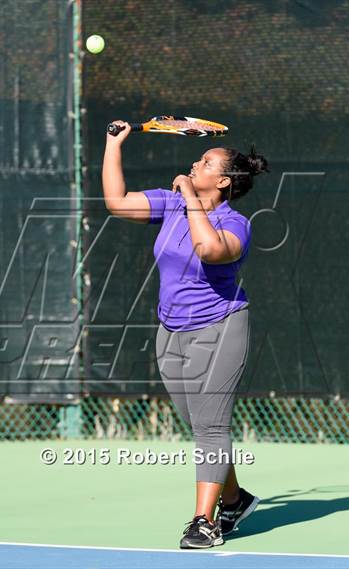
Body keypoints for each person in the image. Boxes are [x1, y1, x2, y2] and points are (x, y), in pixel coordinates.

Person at [102, 120, 270, 549]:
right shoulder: (171, 204)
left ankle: (203, 521)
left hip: (221, 327)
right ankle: (234, 499)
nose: (195, 164)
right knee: (199, 424)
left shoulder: (237, 224)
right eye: (198, 159)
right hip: (170, 331)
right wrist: (113, 145)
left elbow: (209, 250)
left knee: (211, 427)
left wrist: (192, 198)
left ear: (225, 181)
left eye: (206, 162)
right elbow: (117, 202)